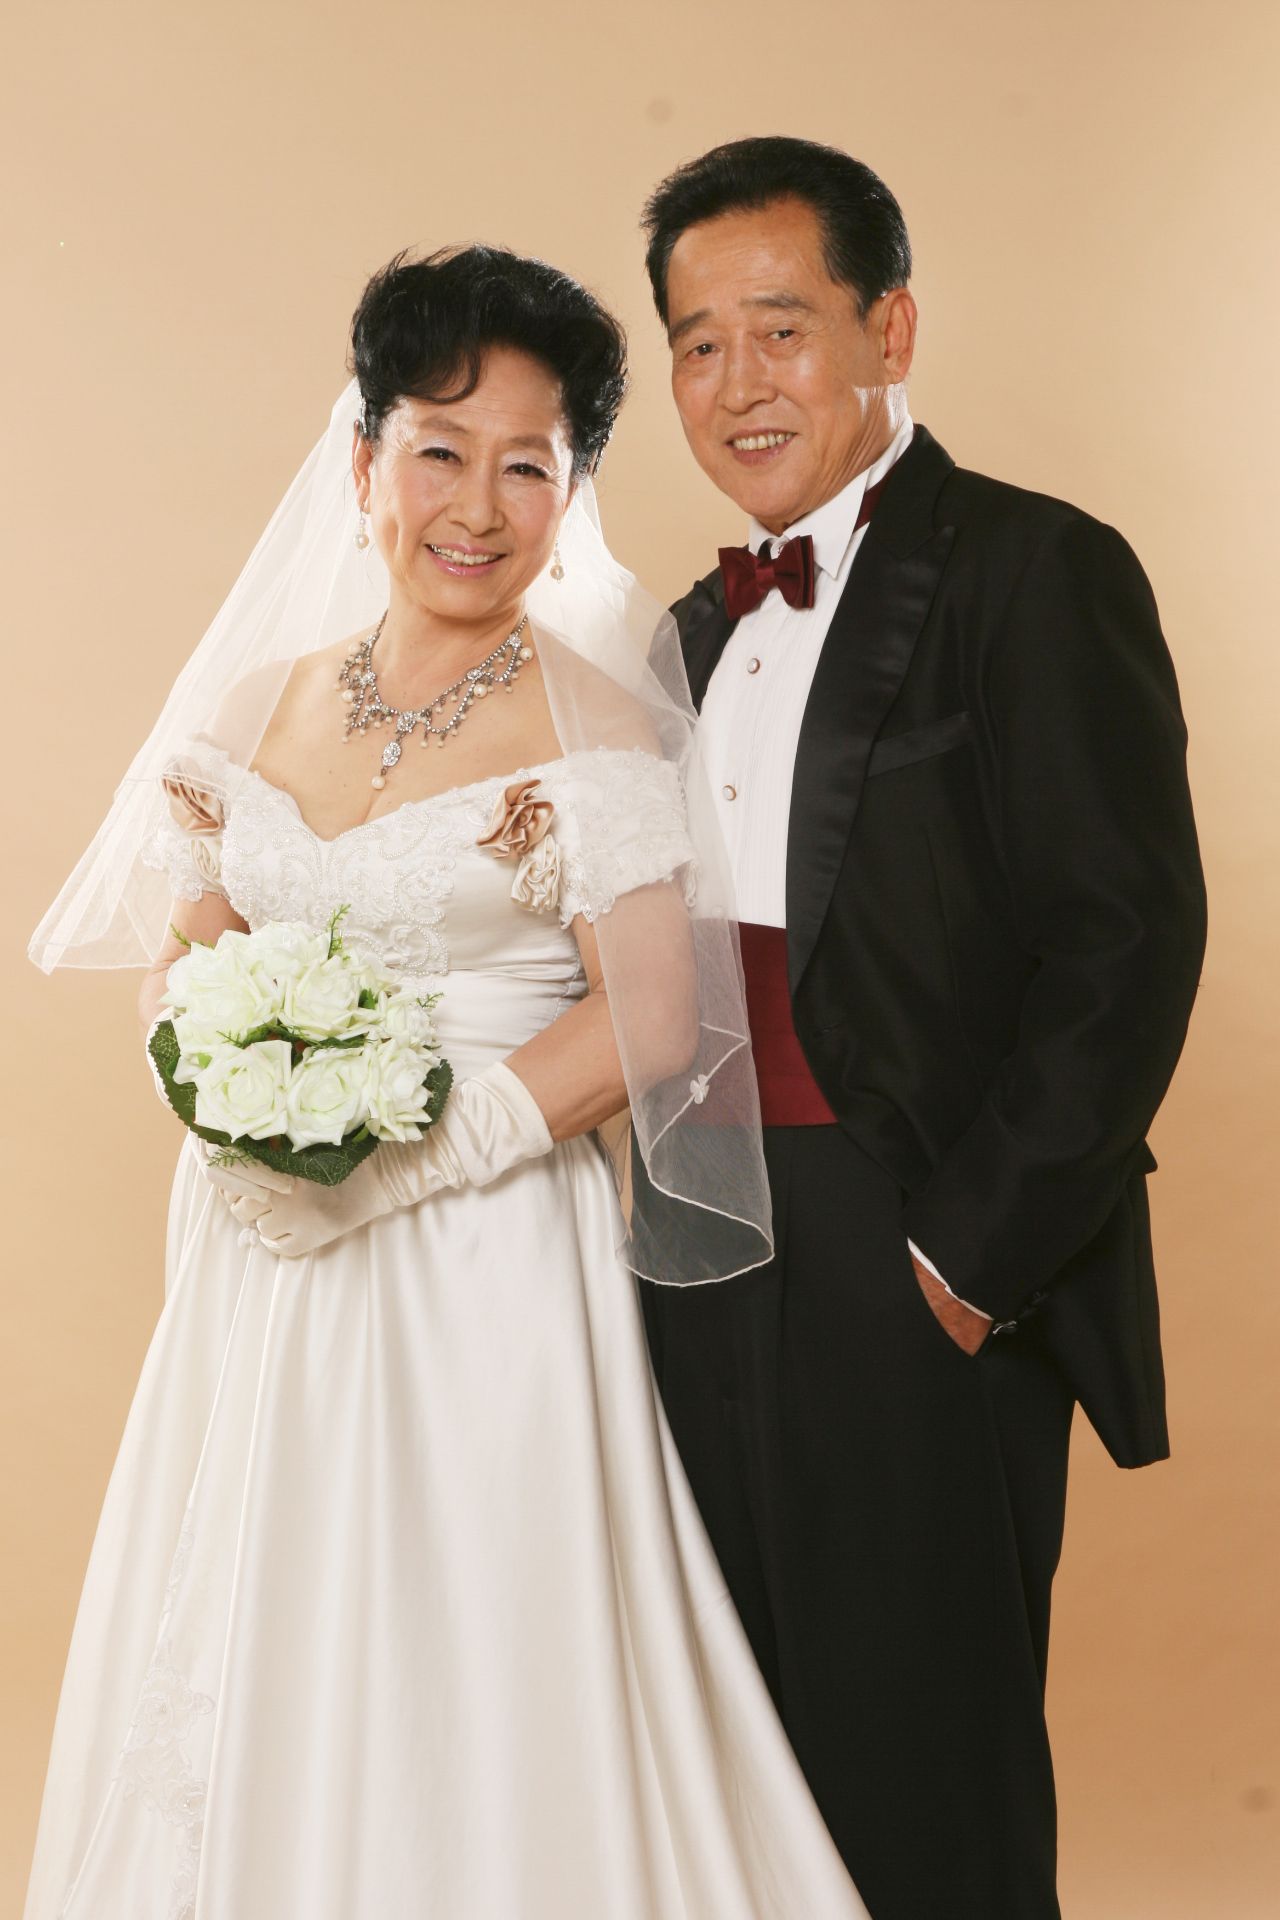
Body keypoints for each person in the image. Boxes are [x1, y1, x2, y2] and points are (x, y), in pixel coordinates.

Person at [24, 247, 871, 1919]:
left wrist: (415, 1156)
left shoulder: (595, 726)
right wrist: (227, 1099)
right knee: (246, 1614)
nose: (478, 507)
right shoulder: (259, 704)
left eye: (529, 466)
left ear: (572, 492)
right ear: (363, 463)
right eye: (439, 450)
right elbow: (191, 944)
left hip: (478, 1255)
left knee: (464, 1642)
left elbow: (652, 1016)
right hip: (259, 1257)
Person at [638, 136, 1208, 1920]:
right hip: (687, 1253)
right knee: (719, 1773)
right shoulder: (678, 634)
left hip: (903, 1244)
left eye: (781, 328)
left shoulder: (1037, 570)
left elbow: (1126, 943)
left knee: (922, 1779)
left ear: (888, 330)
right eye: (699, 343)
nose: (740, 381)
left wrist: (963, 1262)